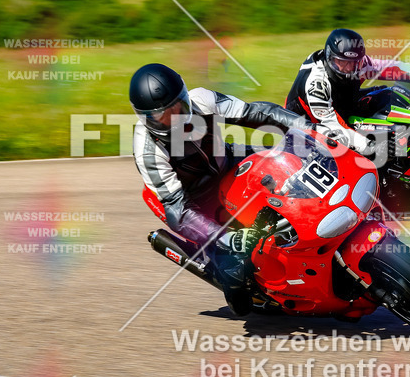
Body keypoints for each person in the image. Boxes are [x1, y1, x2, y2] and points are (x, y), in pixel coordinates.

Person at [130, 63, 315, 316]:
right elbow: (178, 212)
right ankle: (234, 282)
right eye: (163, 116)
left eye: (178, 108)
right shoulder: (147, 149)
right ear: (146, 118)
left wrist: (309, 128)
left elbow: (257, 113)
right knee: (236, 267)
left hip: (228, 162)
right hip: (194, 200)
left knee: (294, 166)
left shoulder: (202, 100)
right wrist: (226, 238)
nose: (175, 119)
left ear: (185, 97)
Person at [286, 28, 410, 154]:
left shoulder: (358, 64)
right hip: (309, 127)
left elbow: (389, 68)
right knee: (359, 150)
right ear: (330, 57)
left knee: (388, 93)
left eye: (354, 63)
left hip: (341, 105)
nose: (348, 68)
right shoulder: (316, 83)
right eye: (341, 62)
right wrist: (372, 147)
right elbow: (334, 128)